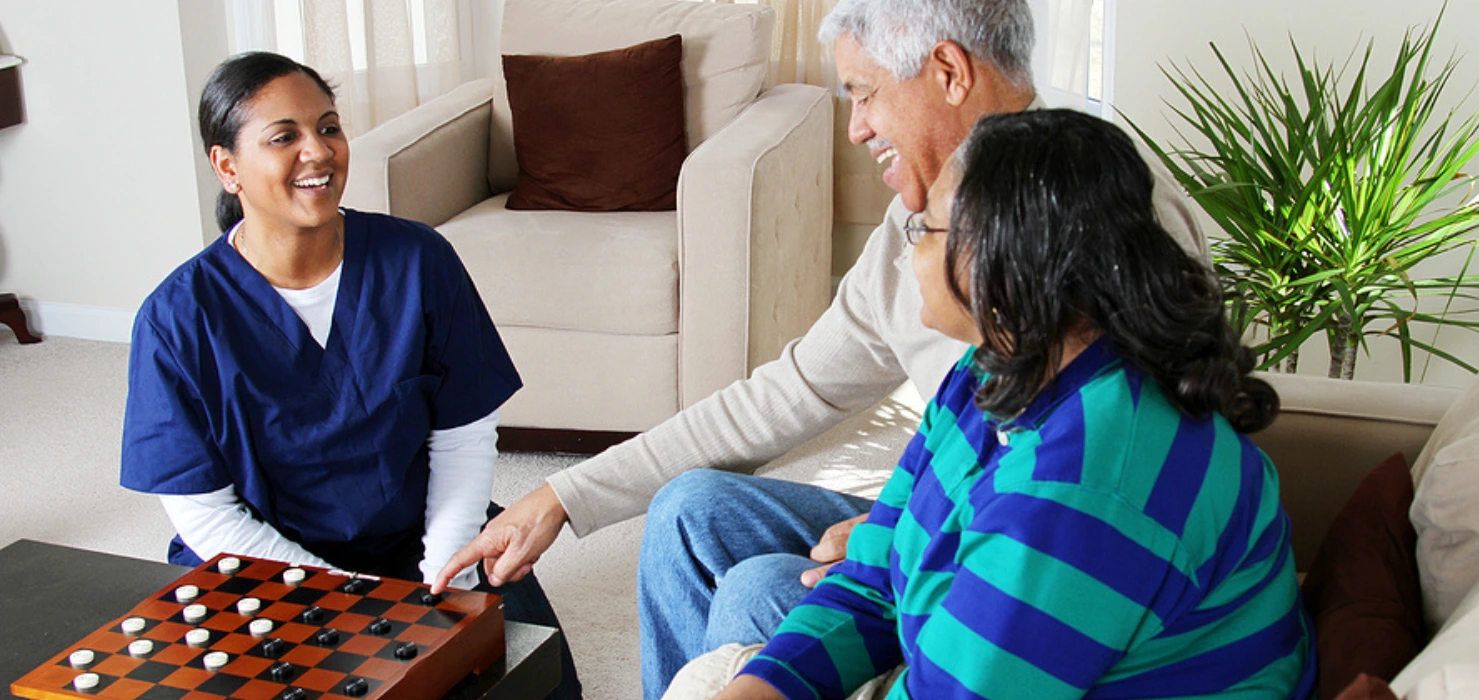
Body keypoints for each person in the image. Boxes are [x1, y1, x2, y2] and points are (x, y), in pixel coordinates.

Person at [436, 0, 1208, 695]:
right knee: (689, 510)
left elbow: (1129, 473)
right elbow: (789, 393)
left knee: (757, 592)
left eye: (864, 94)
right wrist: (562, 495)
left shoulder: (1104, 210)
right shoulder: (948, 333)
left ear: (948, 71)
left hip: (1038, 547)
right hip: (964, 513)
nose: (856, 127)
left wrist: (915, 541)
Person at [715, 108, 1316, 699]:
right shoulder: (993, 370)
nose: (908, 250)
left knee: (744, 609)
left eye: (925, 229)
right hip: (971, 668)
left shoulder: (1085, 485)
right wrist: (759, 687)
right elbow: (876, 575)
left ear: (1005, 262)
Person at [119, 52, 581, 699]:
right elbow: (206, 513)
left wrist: (443, 572)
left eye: (328, 127)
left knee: (534, 680)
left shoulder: (418, 259)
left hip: (424, 537)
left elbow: (463, 437)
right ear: (227, 167)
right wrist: (348, 600)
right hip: (260, 563)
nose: (319, 151)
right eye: (284, 137)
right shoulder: (178, 318)